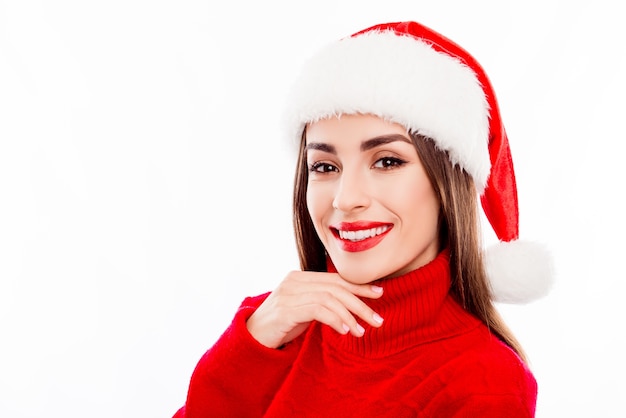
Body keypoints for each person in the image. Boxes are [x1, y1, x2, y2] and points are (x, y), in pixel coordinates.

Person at [172, 20, 553, 417]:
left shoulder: (484, 383)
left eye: (387, 161)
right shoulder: (275, 327)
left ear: (447, 185)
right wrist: (249, 348)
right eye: (323, 166)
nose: (346, 198)